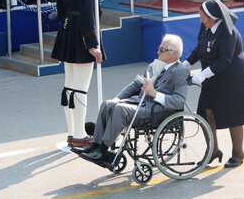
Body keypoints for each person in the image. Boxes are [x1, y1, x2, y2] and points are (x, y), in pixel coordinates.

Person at [78, 34, 188, 163]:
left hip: (157, 111)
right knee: (107, 104)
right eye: (159, 48)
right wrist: (117, 98)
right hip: (141, 104)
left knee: (120, 109)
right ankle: (95, 144)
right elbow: (136, 84)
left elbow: (179, 101)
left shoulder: (180, 70)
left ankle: (103, 150)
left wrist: (155, 94)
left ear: (174, 54)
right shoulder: (155, 65)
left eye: (162, 50)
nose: (158, 52)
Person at [185, 0, 244, 168]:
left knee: (233, 116)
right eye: (200, 17)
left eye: (204, 18)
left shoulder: (227, 31)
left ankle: (238, 154)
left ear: (214, 17)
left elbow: (225, 60)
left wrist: (202, 75)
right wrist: (185, 64)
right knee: (207, 113)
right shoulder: (206, 27)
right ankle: (213, 151)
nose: (201, 21)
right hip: (212, 76)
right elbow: (199, 48)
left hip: (232, 77)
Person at [51, 0, 104, 148]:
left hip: (67, 29)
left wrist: (68, 27)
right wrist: (92, 42)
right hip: (82, 32)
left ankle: (73, 132)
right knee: (81, 87)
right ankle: (80, 135)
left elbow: (60, 9)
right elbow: (89, 13)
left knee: (69, 86)